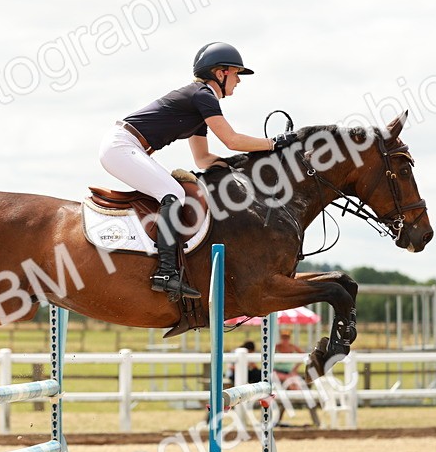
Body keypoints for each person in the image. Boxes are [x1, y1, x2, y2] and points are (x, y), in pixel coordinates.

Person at [99, 42, 299, 301]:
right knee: (173, 192)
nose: (238, 81)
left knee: (172, 191)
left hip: (125, 146)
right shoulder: (202, 95)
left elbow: (203, 158)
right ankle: (166, 272)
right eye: (236, 73)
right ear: (220, 73)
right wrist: (274, 143)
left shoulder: (198, 105)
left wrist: (235, 164)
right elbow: (232, 139)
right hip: (121, 146)